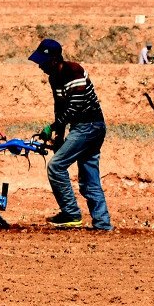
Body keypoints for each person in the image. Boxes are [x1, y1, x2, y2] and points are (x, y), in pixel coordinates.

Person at [28, 39, 112, 231]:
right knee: (89, 179)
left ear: (55, 59)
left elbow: (75, 107)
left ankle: (71, 213)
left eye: (43, 62)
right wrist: (58, 136)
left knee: (56, 167)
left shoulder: (73, 71)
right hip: (83, 127)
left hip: (89, 126)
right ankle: (103, 224)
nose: (40, 66)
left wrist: (52, 127)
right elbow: (60, 108)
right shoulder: (54, 78)